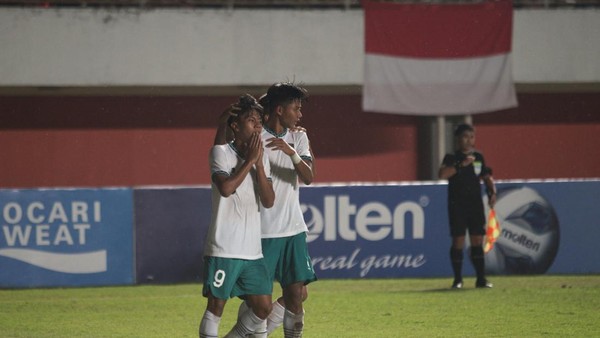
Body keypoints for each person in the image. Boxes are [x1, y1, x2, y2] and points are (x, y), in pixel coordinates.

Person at [199, 94, 275, 338]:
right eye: (251, 121)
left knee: (263, 308)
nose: (258, 126)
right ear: (235, 126)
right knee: (216, 308)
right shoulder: (220, 153)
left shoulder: (261, 159)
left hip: (252, 250)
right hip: (224, 247)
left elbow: (269, 200)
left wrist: (259, 165)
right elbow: (226, 188)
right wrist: (250, 161)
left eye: (259, 122)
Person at [438, 123, 496, 289]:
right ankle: (457, 279)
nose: (469, 140)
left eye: (471, 136)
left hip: (475, 204)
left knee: (477, 240)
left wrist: (492, 191)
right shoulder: (451, 158)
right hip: (457, 205)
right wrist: (460, 165)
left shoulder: (478, 157)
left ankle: (481, 279)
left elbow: (486, 176)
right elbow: (442, 174)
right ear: (458, 139)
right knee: (458, 240)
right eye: (465, 136)